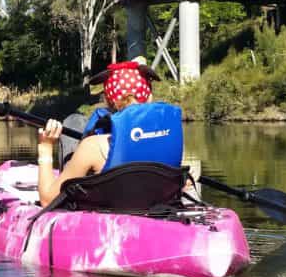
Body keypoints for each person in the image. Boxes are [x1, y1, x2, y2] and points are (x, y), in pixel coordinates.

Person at [36, 59, 182, 205]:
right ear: (149, 97)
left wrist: (45, 148)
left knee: (74, 121)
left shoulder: (93, 147)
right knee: (77, 122)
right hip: (156, 207)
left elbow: (47, 200)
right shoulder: (169, 136)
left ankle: (71, 169)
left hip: (110, 211)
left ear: (107, 99)